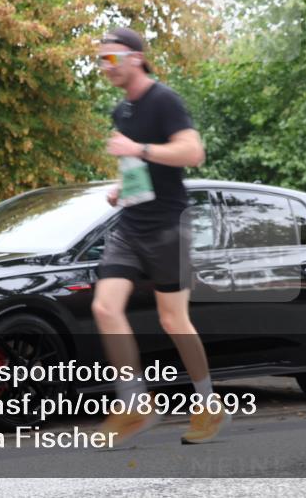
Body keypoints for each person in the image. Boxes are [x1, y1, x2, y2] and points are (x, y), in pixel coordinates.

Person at [92, 26, 231, 447]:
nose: (104, 66)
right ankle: (134, 404)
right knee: (104, 307)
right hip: (132, 226)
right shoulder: (122, 111)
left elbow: (192, 153)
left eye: (111, 58)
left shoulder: (164, 100)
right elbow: (140, 168)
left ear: (135, 57)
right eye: (100, 59)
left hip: (170, 225)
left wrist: (140, 151)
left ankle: (208, 404)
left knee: (174, 319)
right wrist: (124, 188)